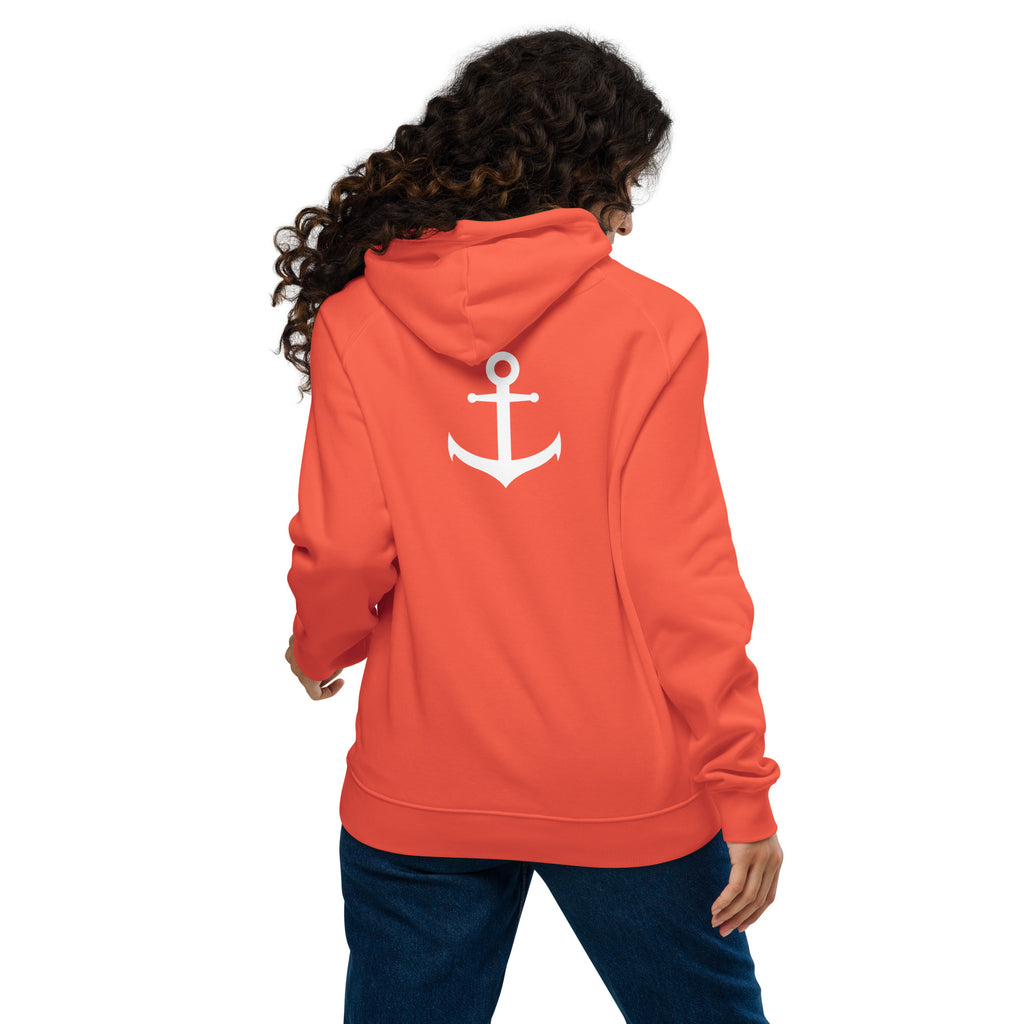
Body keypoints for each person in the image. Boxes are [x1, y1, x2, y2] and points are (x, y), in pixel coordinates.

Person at [274, 27, 783, 1024]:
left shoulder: (358, 320)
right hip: (620, 783)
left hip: (421, 781)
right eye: (625, 180)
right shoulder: (651, 326)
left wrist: (318, 644)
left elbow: (343, 548)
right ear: (587, 170)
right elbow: (682, 579)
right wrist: (741, 785)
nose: (627, 214)